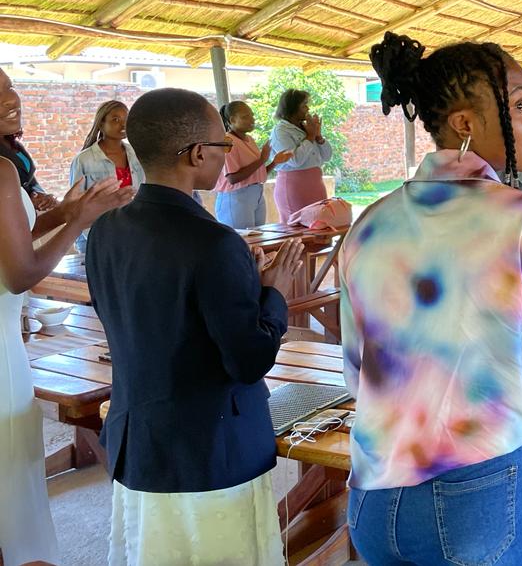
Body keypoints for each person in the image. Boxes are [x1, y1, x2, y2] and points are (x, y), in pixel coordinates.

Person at [341, 32, 522, 565]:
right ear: (465, 124)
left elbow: (358, 371)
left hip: (371, 498)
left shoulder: (370, 223)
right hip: (476, 496)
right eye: (518, 104)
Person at [86, 88, 303, 566]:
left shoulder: (106, 230)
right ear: (198, 154)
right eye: (223, 146)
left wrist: (240, 282)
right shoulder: (215, 243)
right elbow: (248, 361)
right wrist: (274, 294)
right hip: (209, 454)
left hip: (139, 444)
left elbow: (142, 316)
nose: (227, 155)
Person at [0, 69, 132, 565]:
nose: (13, 97)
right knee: (11, 484)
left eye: (10, 84)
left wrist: (66, 211)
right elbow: (20, 273)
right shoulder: (1, 170)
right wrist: (81, 219)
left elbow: (11, 231)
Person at [70, 100, 145, 251]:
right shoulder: (84, 160)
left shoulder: (136, 154)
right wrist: (94, 239)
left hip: (132, 235)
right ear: (101, 124)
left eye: (126, 120)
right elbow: (75, 205)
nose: (123, 125)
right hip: (96, 237)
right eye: (115, 120)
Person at [215, 101, 293, 230]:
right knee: (243, 242)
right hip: (236, 197)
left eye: (252, 115)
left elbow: (257, 175)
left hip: (256, 194)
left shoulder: (249, 139)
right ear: (232, 120)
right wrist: (262, 159)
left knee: (257, 240)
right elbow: (232, 179)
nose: (252, 119)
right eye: (245, 117)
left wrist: (274, 162)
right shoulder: (227, 141)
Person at [269, 88, 332, 221]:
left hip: (315, 183)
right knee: (298, 229)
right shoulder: (280, 131)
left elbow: (327, 156)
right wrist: (310, 136)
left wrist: (318, 136)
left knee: (319, 226)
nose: (308, 108)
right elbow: (295, 160)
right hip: (294, 186)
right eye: (304, 105)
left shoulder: (306, 128)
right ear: (292, 108)